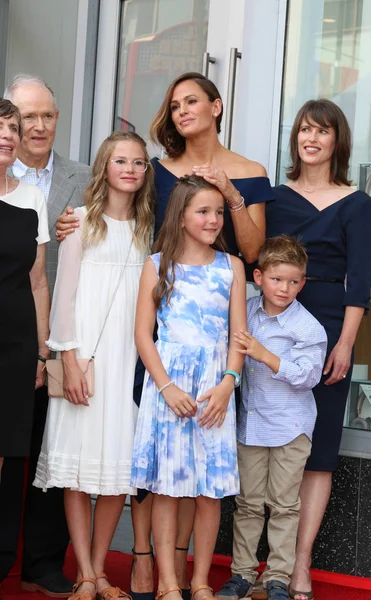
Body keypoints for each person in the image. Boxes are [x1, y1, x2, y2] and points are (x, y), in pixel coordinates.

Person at [55, 72, 274, 600]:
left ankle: (188, 576)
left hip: (205, 357)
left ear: (217, 106)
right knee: (145, 464)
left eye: (192, 101)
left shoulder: (246, 174)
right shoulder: (155, 173)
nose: (181, 111)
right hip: (150, 340)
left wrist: (230, 196)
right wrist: (75, 222)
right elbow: (128, 214)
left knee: (187, 479)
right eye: (174, 104)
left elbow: (252, 250)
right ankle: (145, 563)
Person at [33, 131, 154, 600]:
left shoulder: (148, 231)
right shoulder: (79, 222)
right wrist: (70, 358)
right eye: (120, 160)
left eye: (139, 162)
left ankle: (101, 572)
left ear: (146, 173)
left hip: (128, 365)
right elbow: (63, 298)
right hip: (82, 359)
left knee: (114, 474)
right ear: (103, 167)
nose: (129, 169)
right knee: (79, 472)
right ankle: (82, 572)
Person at [265, 100, 371, 600]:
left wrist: (345, 344)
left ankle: (301, 564)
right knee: (268, 442)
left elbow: (360, 280)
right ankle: (267, 563)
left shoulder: (355, 203)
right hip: (274, 327)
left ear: (337, 142)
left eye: (322, 131)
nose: (312, 138)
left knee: (318, 452)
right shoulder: (275, 198)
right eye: (305, 130)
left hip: (329, 330)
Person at [131, 174, 246, 600]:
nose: (214, 219)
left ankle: (199, 582)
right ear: (181, 216)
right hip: (169, 389)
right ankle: (168, 583)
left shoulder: (231, 266)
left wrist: (227, 384)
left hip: (214, 391)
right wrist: (164, 388)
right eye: (204, 211)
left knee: (209, 491)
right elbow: (144, 334)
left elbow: (239, 335)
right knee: (166, 488)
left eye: (218, 212)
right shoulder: (157, 264)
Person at [0, 74, 91, 597]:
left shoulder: (83, 176)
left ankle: (42, 562)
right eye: (25, 116)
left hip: (66, 334)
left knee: (54, 451)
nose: (36, 126)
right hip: (15, 333)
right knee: (10, 451)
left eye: (47, 116)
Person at [216, 235, 327, 600]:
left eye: (294, 281)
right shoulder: (244, 312)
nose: (285, 288)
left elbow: (309, 376)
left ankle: (277, 576)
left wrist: (266, 355)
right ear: (259, 277)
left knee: (283, 505)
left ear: (303, 283)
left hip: (292, 428)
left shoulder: (308, 327)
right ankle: (242, 574)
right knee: (248, 503)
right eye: (277, 279)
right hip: (251, 425)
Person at [0, 97, 50, 574]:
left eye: (13, 127)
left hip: (15, 343)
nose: (9, 134)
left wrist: (42, 351)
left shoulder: (31, 196)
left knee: (5, 451)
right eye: (0, 126)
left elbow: (37, 281)